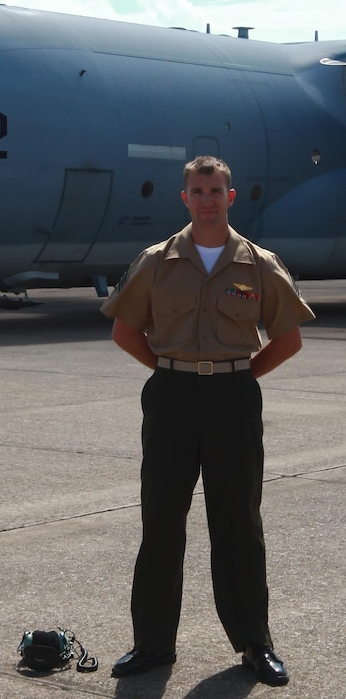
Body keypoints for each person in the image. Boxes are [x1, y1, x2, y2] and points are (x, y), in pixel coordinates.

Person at [101, 156, 315, 687]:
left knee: (238, 521)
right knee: (162, 521)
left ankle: (255, 643)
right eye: (197, 190)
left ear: (231, 196)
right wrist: (173, 372)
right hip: (172, 396)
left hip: (233, 398)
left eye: (215, 190)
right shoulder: (156, 261)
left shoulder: (258, 265)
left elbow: (288, 339)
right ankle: (151, 645)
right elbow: (125, 332)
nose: (207, 199)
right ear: (185, 199)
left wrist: (237, 377)